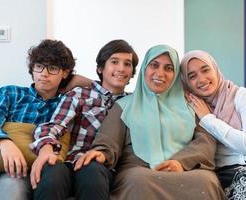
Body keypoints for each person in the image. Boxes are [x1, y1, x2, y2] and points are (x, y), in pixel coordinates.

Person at [75, 45, 226, 199]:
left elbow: (205, 142)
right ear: (144, 69)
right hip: (140, 171)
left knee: (205, 181)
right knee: (138, 180)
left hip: (187, 170)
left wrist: (180, 162)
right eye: (154, 65)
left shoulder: (192, 105)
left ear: (176, 75)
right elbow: (109, 139)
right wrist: (102, 152)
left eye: (168, 68)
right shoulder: (124, 105)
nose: (160, 73)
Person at [30, 39, 139, 200]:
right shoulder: (80, 94)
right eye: (114, 62)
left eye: (127, 64)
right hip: (69, 161)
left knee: (92, 173)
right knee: (52, 174)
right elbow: (54, 126)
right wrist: (46, 147)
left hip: (101, 168)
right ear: (100, 68)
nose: (121, 69)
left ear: (132, 73)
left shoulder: (134, 103)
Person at [0, 39, 76, 200]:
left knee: (11, 192)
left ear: (65, 73)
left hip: (17, 172)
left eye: (53, 68)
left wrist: (76, 80)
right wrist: (4, 142)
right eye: (39, 66)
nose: (44, 73)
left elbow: (103, 87)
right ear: (32, 69)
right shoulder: (11, 93)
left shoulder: (65, 104)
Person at [180, 50, 246, 199]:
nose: (201, 79)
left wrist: (208, 119)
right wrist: (204, 117)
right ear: (186, 82)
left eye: (205, 70)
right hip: (230, 170)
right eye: (192, 76)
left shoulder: (243, 96)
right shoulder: (191, 109)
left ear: (215, 69)